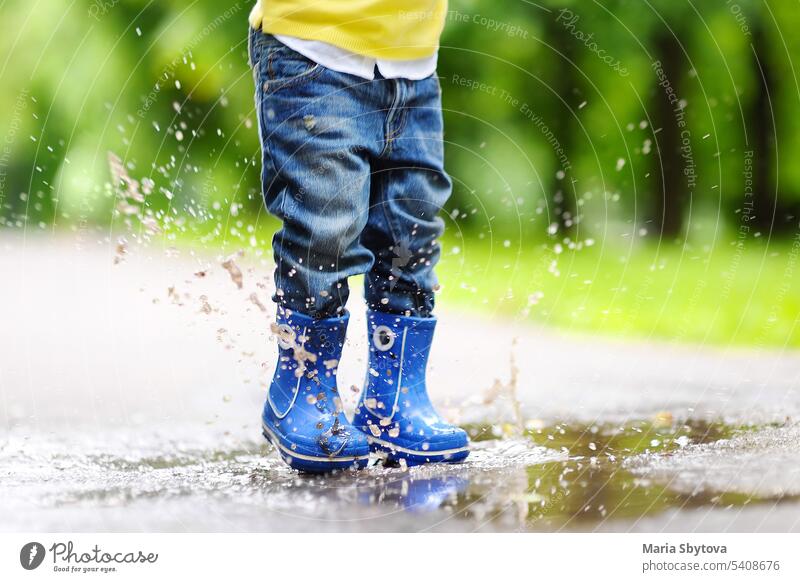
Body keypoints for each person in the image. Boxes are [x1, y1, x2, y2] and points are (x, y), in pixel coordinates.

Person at [248, 0, 469, 472]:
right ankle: (301, 391)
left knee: (412, 231)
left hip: (412, 62)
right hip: (311, 49)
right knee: (325, 228)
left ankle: (392, 405)